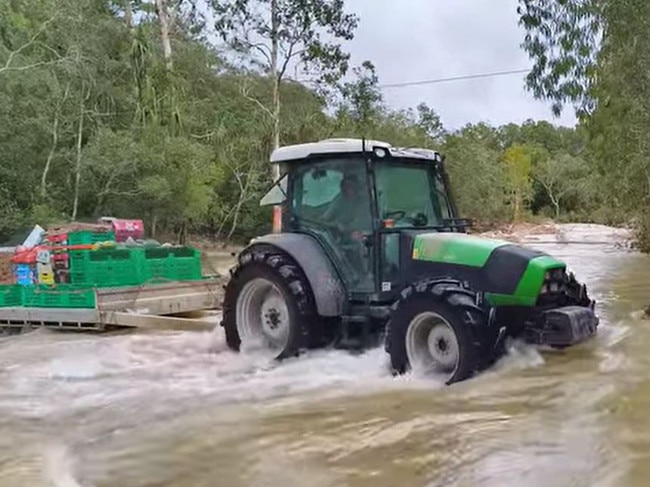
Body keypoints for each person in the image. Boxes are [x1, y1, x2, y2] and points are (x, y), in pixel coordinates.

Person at [322, 174, 370, 241]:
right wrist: (334, 225)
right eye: (346, 186)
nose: (348, 188)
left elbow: (359, 223)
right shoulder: (339, 200)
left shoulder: (363, 202)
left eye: (350, 186)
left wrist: (344, 227)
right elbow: (326, 217)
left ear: (356, 187)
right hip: (339, 236)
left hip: (359, 237)